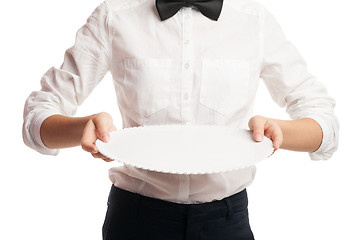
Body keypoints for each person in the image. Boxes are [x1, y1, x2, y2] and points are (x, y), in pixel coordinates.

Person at [22, 0, 339, 239]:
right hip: (134, 221)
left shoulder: (254, 21)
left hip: (227, 222)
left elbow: (325, 124)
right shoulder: (115, 15)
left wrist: (280, 130)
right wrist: (82, 127)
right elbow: (37, 116)